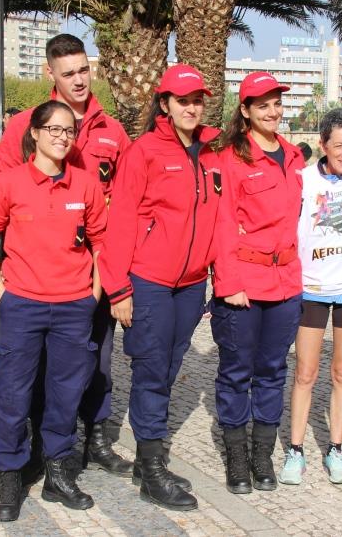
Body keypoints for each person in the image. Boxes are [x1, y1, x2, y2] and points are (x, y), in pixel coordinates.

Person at [0, 34, 132, 477]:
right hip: (35, 278)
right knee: (32, 368)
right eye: (68, 73)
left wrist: (104, 281)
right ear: (49, 73)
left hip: (90, 272)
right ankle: (35, 446)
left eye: (83, 71)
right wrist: (4, 280)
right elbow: (2, 196)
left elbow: (127, 199)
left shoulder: (111, 131)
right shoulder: (23, 127)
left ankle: (94, 438)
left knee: (96, 361)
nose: (78, 80)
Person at [98, 64, 222, 511]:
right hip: (148, 281)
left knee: (168, 369)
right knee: (151, 372)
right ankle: (151, 470)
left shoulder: (210, 154)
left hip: (190, 286)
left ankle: (147, 456)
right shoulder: (145, 151)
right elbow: (122, 220)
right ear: (164, 104)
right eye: (182, 100)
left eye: (197, 100)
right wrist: (118, 288)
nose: (191, 107)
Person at [0, 101, 108, 521]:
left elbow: (100, 242)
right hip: (23, 304)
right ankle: (11, 475)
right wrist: (0, 287)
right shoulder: (9, 183)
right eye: (52, 129)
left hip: (73, 306)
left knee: (65, 393)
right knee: (14, 394)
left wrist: (93, 291)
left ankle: (57, 472)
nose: (61, 136)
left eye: (69, 130)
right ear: (34, 133)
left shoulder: (86, 185)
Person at [212, 71, 304, 494]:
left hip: (286, 282)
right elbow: (223, 223)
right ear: (245, 111)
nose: (272, 111)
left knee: (272, 371)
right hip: (244, 283)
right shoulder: (232, 159)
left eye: (276, 103)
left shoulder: (294, 157)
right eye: (262, 104)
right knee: (236, 372)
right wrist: (228, 282)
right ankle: (236, 458)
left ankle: (262, 455)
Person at [278, 109, 342, 486]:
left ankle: (335, 449)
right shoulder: (303, 180)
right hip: (312, 289)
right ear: (323, 144)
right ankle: (296, 450)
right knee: (305, 373)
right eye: (339, 145)